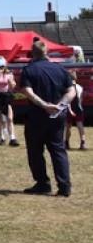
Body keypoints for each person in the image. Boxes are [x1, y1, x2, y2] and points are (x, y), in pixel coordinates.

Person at [19, 40, 76, 197]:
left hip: (37, 116)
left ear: (33, 53)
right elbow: (71, 92)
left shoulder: (29, 70)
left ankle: (42, 183)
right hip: (57, 116)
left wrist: (45, 105)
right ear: (47, 52)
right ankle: (64, 187)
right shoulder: (60, 69)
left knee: (35, 151)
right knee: (58, 150)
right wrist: (60, 105)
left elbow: (27, 92)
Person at [0, 61, 19, 147]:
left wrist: (11, 82)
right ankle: (2, 138)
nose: (1, 69)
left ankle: (12, 138)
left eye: (2, 67)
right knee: (0, 119)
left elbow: (13, 85)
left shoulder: (9, 74)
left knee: (10, 118)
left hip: (7, 96)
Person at [65, 70, 86, 151]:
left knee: (68, 127)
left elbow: (68, 100)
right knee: (80, 125)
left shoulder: (68, 87)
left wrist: (70, 110)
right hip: (79, 108)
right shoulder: (80, 87)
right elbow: (80, 100)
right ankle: (83, 143)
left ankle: (66, 143)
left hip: (70, 108)